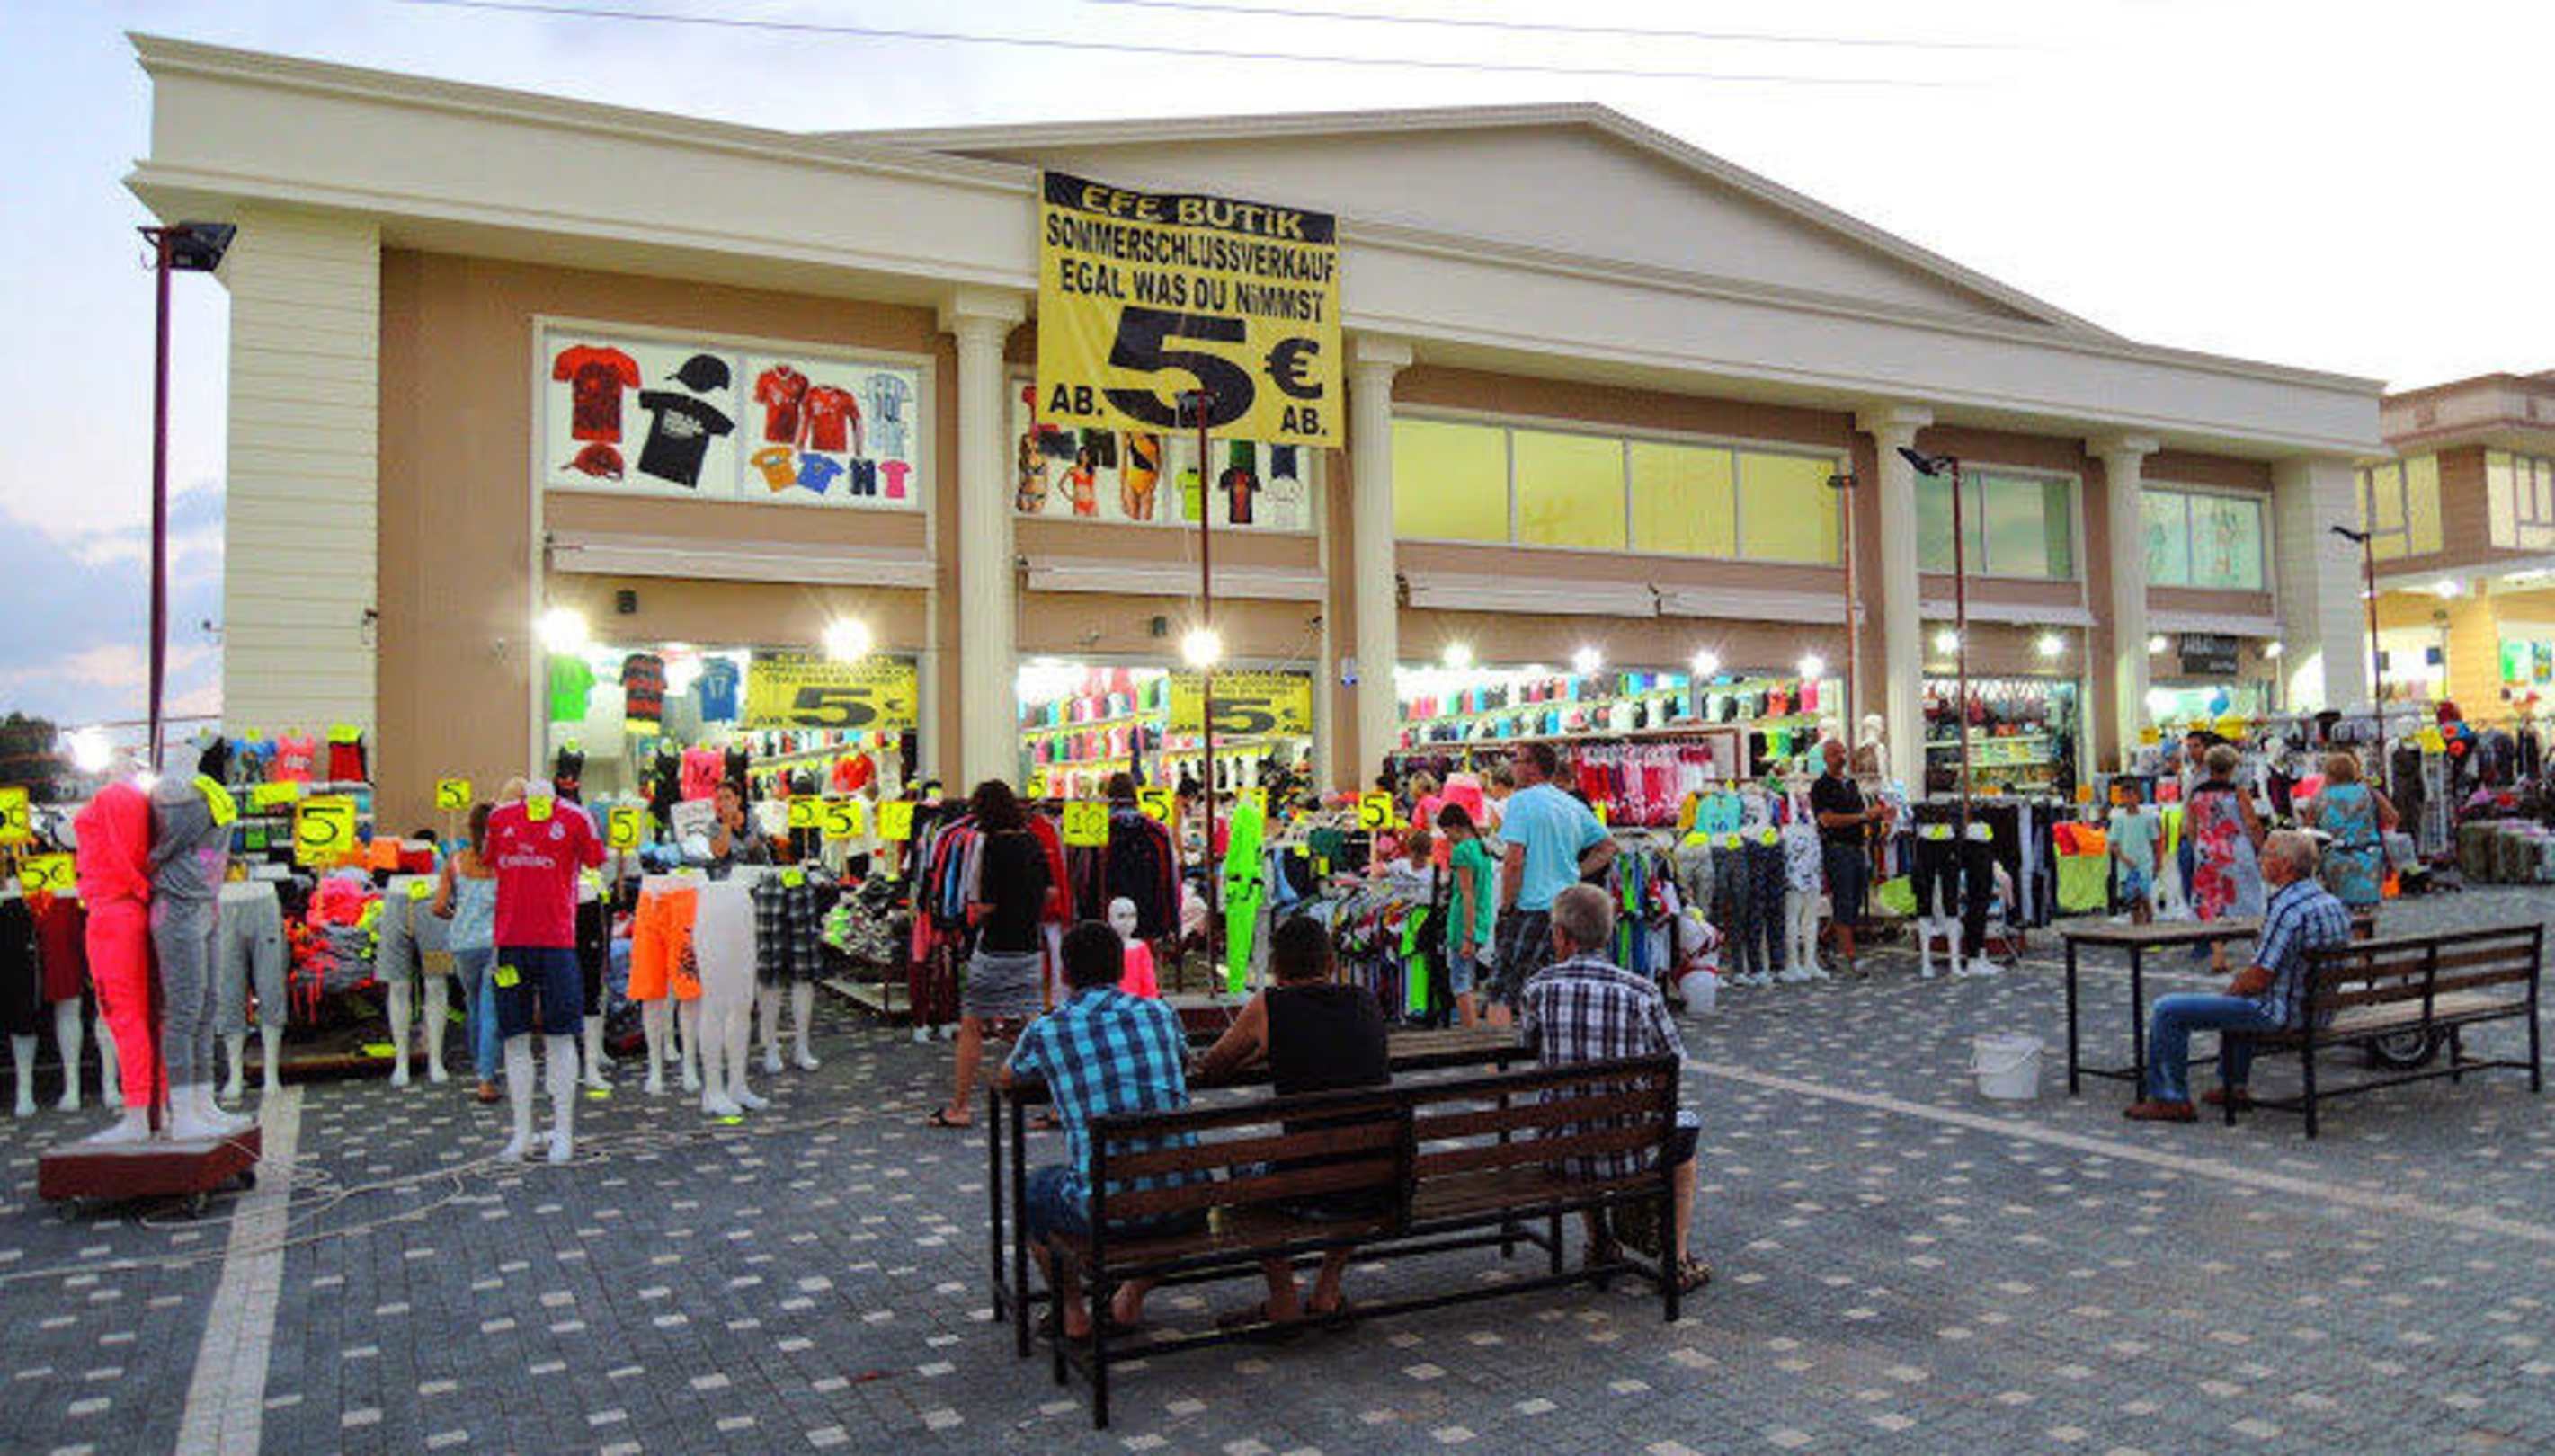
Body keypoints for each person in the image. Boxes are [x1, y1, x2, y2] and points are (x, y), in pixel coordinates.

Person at [997, 921, 1202, 1341]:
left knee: (1035, 1191)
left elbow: (1007, 1077)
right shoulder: (1160, 1013)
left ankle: (1072, 1313)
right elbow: (1184, 1060)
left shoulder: (1048, 1029)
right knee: (1167, 1179)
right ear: (1120, 969)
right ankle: (1128, 1298)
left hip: (1106, 1211)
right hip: (1185, 1202)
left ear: (1065, 973)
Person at [1195, 917, 1390, 1330]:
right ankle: (1327, 1290)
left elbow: (1213, 1064)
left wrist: (1261, 1050)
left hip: (1309, 1183)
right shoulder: (1365, 1000)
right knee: (1354, 1154)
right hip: (1383, 1179)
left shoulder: (1269, 1005)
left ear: (1278, 969)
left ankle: (1283, 1299)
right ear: (1331, 963)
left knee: (1243, 1176)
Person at [1518, 883, 1710, 1292]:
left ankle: (1600, 1241)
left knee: (1575, 1111)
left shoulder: (1538, 988)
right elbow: (1672, 1064)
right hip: (1631, 1152)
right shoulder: (1642, 992)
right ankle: (1676, 1260)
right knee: (1683, 1132)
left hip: (1561, 1150)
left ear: (1561, 936)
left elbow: (1528, 1044)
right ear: (1608, 934)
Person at [2125, 831, 2351, 1123]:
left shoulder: (2288, 908)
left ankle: (2170, 1098)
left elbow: (2259, 978)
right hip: (2318, 1011)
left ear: (2285, 864)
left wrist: (2232, 991)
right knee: (2241, 1000)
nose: (2260, 860)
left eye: (2266, 855)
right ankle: (2232, 1085)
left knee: (2168, 1010)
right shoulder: (2331, 903)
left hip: (2284, 1014)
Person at [485, 778, 604, 1163]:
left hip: (558, 944)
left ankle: (563, 1132)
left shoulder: (577, 818)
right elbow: (488, 862)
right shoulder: (500, 818)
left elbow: (595, 860)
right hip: (510, 945)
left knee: (561, 1036)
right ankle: (522, 1133)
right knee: (514, 1036)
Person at [930, 780, 1050, 1129]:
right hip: (1029, 946)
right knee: (1035, 1024)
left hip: (996, 947)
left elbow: (985, 904)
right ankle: (1058, 1104)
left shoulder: (990, 846)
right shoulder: (1033, 841)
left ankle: (960, 1106)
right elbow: (1050, 893)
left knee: (972, 1024)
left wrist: (971, 914)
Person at [1491, 742, 1617, 1025]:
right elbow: (1608, 846)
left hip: (1531, 906)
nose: (1512, 766)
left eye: (1517, 760)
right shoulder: (1570, 803)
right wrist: (1575, 873)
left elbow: (1514, 861)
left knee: (1503, 991)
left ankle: (1501, 1050)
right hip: (1567, 907)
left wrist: (1506, 906)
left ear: (1532, 767)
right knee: (1555, 987)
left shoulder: (1521, 801)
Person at [432, 801, 504, 1104]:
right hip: (496, 945)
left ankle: (479, 1064)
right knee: (492, 1010)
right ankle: (486, 1078)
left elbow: (438, 907)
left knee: (473, 1005)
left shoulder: (456, 862)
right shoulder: (503, 864)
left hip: (462, 943)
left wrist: (458, 916)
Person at [1808, 737, 1886, 975]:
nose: (1841, 757)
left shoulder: (1851, 784)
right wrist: (1863, 817)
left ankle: (1824, 939)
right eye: (1835, 753)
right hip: (1837, 848)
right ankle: (1852, 958)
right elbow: (1826, 820)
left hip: (1857, 847)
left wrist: (1876, 817)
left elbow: (1861, 814)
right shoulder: (1821, 786)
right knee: (1844, 900)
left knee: (1855, 900)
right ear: (1825, 758)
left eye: (1842, 752)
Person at [2186, 743, 2267, 972]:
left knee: (2212, 901)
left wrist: (2198, 846)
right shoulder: (2237, 792)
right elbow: (2251, 823)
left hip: (2206, 849)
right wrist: (2261, 847)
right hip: (2234, 848)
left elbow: (2191, 826)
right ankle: (2260, 953)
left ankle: (2218, 955)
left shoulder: (2197, 793)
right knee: (2249, 896)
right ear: (2232, 767)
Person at [2303, 751, 2397, 912]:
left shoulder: (2319, 798)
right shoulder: (2368, 792)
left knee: (2339, 906)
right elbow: (2392, 817)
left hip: (2335, 858)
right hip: (2368, 856)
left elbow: (2309, 832)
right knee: (2367, 906)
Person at [1438, 803, 1495, 1027]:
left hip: (1463, 924)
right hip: (1482, 919)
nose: (1447, 838)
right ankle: (1473, 1029)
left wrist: (1467, 936)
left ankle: (1469, 1031)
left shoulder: (1461, 851)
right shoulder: (1482, 848)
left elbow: (1466, 894)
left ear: (1455, 826)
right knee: (1469, 980)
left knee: (1460, 982)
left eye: (1446, 832)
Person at [2107, 784, 2162, 925]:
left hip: (2144, 862)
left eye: (2131, 796)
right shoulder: (2118, 819)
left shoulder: (2148, 818)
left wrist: (2158, 861)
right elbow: (2113, 844)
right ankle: (2137, 927)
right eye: (2125, 797)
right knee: (2133, 900)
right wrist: (2124, 859)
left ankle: (2149, 923)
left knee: (2144, 896)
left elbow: (2155, 841)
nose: (2128, 800)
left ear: (2138, 797)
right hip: (2126, 866)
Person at [707, 780, 769, 875]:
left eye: (727, 797)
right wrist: (726, 823)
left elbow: (762, 841)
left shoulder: (752, 818)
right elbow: (720, 853)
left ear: (738, 800)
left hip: (759, 869)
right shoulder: (714, 826)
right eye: (719, 799)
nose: (723, 802)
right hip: (731, 875)